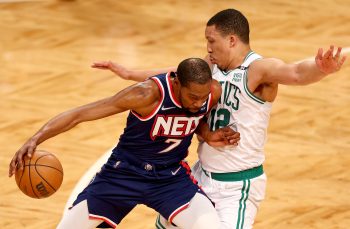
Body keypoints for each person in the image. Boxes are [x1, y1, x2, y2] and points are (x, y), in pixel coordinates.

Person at [92, 9, 347, 229]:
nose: (208, 47)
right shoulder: (212, 66)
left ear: (232, 40)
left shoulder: (258, 70)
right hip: (199, 177)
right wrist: (130, 74)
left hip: (236, 188)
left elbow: (295, 72)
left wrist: (320, 69)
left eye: (211, 41)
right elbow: (175, 73)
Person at [9, 58, 240, 229]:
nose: (199, 103)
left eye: (203, 97)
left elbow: (193, 118)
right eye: (193, 97)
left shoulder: (211, 94)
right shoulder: (146, 94)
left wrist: (208, 134)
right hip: (123, 175)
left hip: (169, 179)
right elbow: (80, 114)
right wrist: (35, 139)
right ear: (177, 82)